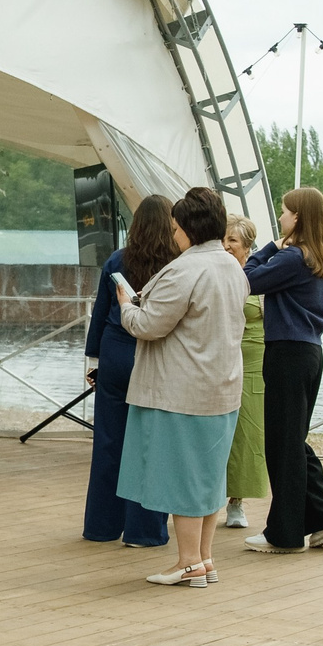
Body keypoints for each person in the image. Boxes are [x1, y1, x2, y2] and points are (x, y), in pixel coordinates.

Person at [111, 189, 249, 586]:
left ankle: (187, 561)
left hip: (182, 390)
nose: (173, 236)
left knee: (183, 476)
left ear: (188, 228)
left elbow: (148, 325)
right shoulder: (231, 266)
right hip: (222, 387)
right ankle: (204, 558)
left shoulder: (185, 270)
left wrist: (125, 304)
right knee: (208, 478)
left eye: (175, 228)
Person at [242, 187, 323, 554]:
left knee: (282, 446)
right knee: (293, 440)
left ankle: (284, 534)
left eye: (285, 212)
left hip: (286, 352)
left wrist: (271, 247)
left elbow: (247, 279)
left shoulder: (291, 257)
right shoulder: (318, 257)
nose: (281, 218)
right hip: (309, 353)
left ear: (298, 218)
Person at [82, 195, 176, 548]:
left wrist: (94, 361)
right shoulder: (176, 264)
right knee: (151, 445)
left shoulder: (117, 260)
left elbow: (99, 312)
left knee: (108, 442)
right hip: (153, 359)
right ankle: (144, 531)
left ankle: (101, 526)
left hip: (115, 354)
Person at [220, 211, 269, 527]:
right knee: (216, 430)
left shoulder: (262, 276)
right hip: (220, 358)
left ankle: (237, 501)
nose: (226, 246)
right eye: (223, 240)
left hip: (253, 361)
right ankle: (205, 498)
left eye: (232, 241)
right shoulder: (217, 273)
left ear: (247, 246)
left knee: (247, 431)